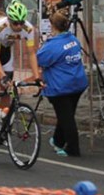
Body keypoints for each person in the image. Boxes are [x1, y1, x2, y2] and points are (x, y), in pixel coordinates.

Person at [0, 0, 41, 132]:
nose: (19, 26)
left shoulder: (28, 28)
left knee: (8, 87)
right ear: (8, 19)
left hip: (6, 49)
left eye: (21, 22)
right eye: (15, 23)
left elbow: (31, 54)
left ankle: (2, 117)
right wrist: (2, 76)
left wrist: (37, 77)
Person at [36, 10, 87, 157]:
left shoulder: (52, 45)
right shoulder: (73, 39)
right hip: (78, 82)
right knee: (66, 115)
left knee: (67, 118)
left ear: (52, 26)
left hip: (61, 86)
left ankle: (73, 148)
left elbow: (40, 60)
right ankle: (58, 140)